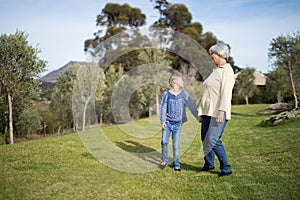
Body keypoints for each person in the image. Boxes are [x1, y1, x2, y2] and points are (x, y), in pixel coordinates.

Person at [197, 41, 235, 177]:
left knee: (213, 140)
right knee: (205, 139)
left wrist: (221, 110)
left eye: (212, 54)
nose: (211, 56)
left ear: (219, 54)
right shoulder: (215, 71)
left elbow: (226, 93)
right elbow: (206, 94)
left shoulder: (227, 71)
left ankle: (226, 168)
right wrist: (201, 112)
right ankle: (209, 164)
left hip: (218, 112)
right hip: (208, 111)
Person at [160, 72, 198, 171]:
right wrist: (163, 121)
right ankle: (164, 161)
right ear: (174, 82)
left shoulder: (183, 94)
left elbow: (191, 105)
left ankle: (176, 164)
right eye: (181, 80)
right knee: (164, 142)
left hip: (177, 124)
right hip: (167, 123)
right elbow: (163, 107)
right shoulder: (166, 94)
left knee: (176, 145)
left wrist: (197, 116)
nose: (182, 82)